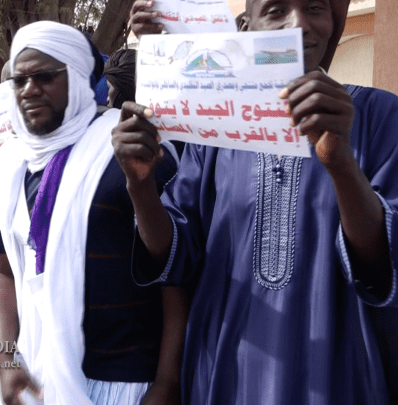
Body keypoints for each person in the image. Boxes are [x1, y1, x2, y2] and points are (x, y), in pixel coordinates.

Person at [112, 0, 398, 403]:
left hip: (338, 373)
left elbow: (383, 263)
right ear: (246, 28)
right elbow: (176, 257)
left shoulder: (381, 115)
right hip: (225, 373)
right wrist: (140, 187)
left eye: (315, 7)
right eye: (277, 9)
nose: (298, 24)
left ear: (333, 22)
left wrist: (340, 164)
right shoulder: (212, 129)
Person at [0, 21, 186, 405]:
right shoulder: (9, 167)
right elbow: (2, 272)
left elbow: (175, 276)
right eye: (19, 81)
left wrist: (167, 383)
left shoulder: (130, 148)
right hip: (37, 378)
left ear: (77, 77)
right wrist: (5, 360)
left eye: (44, 76)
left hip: (126, 382)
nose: (29, 90)